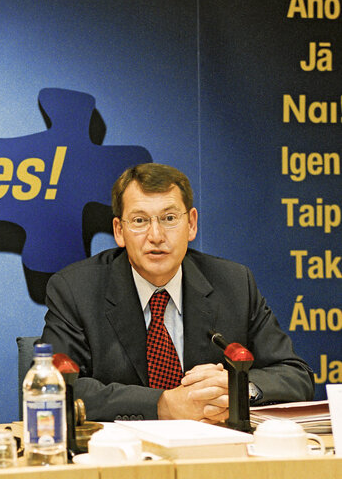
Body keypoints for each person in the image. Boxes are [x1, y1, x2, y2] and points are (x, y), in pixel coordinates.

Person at [41, 163, 313, 422]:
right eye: (139, 220)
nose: (156, 235)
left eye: (169, 218)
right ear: (119, 231)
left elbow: (296, 376)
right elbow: (52, 388)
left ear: (191, 224)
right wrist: (164, 404)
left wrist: (239, 388)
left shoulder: (234, 284)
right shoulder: (76, 289)